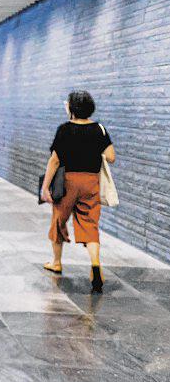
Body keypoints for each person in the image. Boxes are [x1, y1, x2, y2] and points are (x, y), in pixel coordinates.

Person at [41, 90, 115, 292]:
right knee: (90, 223)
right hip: (91, 182)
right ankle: (95, 265)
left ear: (72, 108)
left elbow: (54, 160)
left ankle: (56, 263)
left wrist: (45, 186)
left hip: (68, 182)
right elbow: (110, 156)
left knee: (59, 219)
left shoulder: (64, 130)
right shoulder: (99, 129)